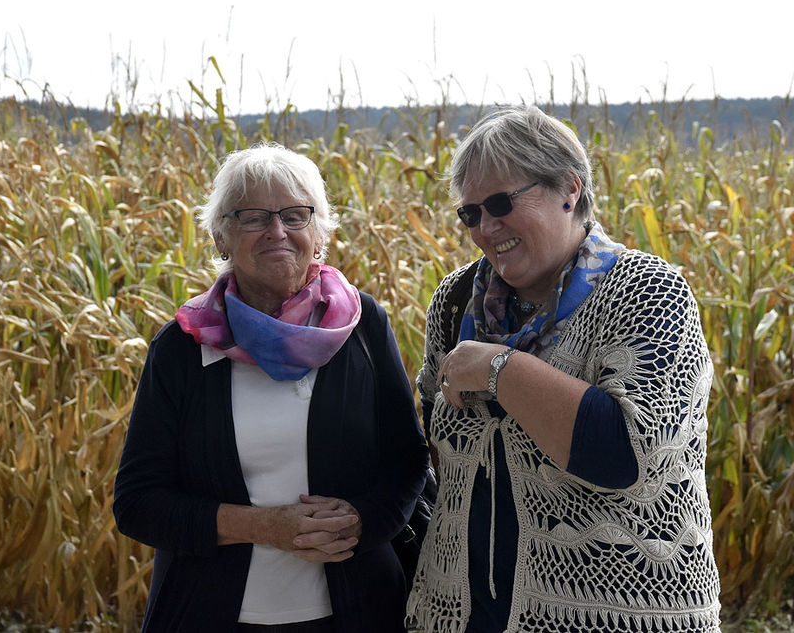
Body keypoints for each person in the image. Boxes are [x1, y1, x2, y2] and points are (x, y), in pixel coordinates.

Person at [406, 106, 721, 633]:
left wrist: (501, 370)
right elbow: (433, 444)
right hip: (461, 613)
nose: (487, 226)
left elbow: (628, 455)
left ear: (569, 189)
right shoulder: (457, 299)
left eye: (502, 203)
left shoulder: (646, 292)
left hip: (617, 615)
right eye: (471, 213)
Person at [113, 143, 430, 632]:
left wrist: (361, 521)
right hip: (209, 614)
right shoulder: (183, 346)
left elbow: (407, 460)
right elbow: (138, 503)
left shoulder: (362, 327)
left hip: (358, 610)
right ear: (222, 236)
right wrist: (263, 527)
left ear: (319, 231)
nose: (277, 231)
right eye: (254, 217)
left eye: (295, 215)